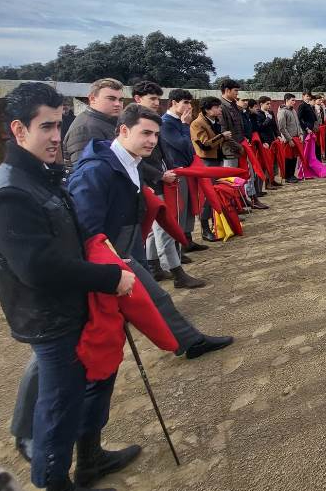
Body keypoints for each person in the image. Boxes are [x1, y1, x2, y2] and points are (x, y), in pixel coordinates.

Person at [0, 82, 136, 491]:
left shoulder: (39, 175)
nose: (55, 136)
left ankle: (90, 457)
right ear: (18, 129)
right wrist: (107, 279)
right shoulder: (10, 190)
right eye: (46, 126)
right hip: (49, 316)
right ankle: (57, 488)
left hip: (75, 306)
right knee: (60, 400)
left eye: (59, 124)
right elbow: (36, 267)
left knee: (95, 382)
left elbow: (71, 229)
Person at [68, 103, 233, 356]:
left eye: (156, 134)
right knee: (76, 330)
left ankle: (189, 342)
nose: (152, 141)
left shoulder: (130, 161)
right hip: (109, 252)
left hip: (127, 243)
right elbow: (86, 229)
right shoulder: (96, 169)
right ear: (123, 130)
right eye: (145, 133)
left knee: (155, 299)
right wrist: (109, 265)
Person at [132, 81, 206, 289]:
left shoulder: (153, 121)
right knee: (162, 228)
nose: (157, 103)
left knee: (157, 229)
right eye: (152, 99)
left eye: (158, 98)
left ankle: (156, 267)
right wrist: (160, 175)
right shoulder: (141, 124)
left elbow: (175, 151)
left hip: (162, 178)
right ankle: (176, 273)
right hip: (152, 182)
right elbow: (135, 159)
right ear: (138, 99)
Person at [160, 88, 209, 252]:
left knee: (189, 207)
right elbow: (182, 144)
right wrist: (184, 124)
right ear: (174, 103)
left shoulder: (177, 122)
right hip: (177, 170)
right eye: (185, 102)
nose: (189, 106)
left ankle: (187, 240)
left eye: (190, 102)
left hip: (188, 168)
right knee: (180, 208)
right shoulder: (166, 122)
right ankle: (178, 245)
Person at [61, 78, 124, 169]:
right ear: (92, 99)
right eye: (111, 99)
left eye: (120, 99)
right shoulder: (85, 128)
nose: (118, 104)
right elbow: (86, 174)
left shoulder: (109, 121)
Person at [190, 96, 228, 240]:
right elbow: (204, 145)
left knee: (217, 193)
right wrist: (222, 137)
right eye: (216, 107)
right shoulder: (197, 124)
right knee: (207, 195)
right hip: (206, 162)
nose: (219, 109)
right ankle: (205, 229)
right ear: (207, 110)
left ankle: (217, 223)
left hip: (216, 160)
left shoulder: (215, 121)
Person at [276, 93, 303, 183]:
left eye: (294, 100)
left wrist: (300, 134)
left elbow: (298, 124)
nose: (294, 102)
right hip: (288, 140)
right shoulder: (282, 112)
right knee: (288, 158)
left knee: (294, 157)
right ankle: (287, 176)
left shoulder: (293, 111)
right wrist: (289, 139)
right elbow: (282, 128)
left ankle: (292, 175)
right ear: (286, 100)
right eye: (292, 100)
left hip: (295, 138)